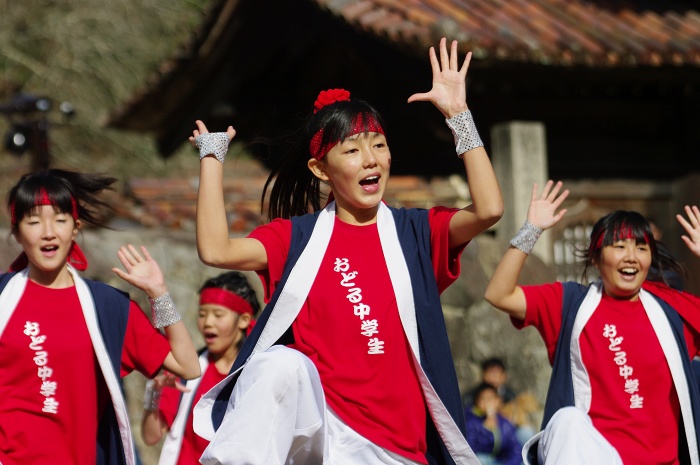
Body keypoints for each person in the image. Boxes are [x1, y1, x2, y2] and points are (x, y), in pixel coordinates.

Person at [190, 37, 504, 465]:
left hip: (396, 446)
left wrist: (458, 117)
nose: (371, 159)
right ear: (321, 169)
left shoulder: (416, 232)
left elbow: (488, 210)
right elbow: (216, 249)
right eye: (352, 150)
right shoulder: (296, 239)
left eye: (378, 144)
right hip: (324, 433)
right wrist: (212, 160)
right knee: (280, 365)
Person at [484, 180, 700, 465]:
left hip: (661, 461)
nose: (631, 257)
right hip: (594, 456)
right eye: (619, 246)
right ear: (596, 258)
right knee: (567, 420)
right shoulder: (570, 303)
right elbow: (498, 294)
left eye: (641, 247)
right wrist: (531, 229)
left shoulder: (672, 309)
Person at [0, 169, 201, 465]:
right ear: (16, 232)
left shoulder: (107, 307)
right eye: (33, 221)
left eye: (60, 219)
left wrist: (159, 293)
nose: (48, 232)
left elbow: (187, 366)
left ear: (75, 227)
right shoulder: (3, 298)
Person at [140, 271, 260, 465]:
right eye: (202, 314)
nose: (207, 322)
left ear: (244, 320)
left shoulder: (259, 374)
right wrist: (154, 392)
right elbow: (151, 436)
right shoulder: (186, 372)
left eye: (218, 315)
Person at [464, 382, 522, 465]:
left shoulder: (503, 421)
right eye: (484, 399)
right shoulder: (470, 420)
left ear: (498, 401)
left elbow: (515, 448)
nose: (488, 403)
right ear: (477, 402)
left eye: (491, 398)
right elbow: (470, 450)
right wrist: (486, 429)